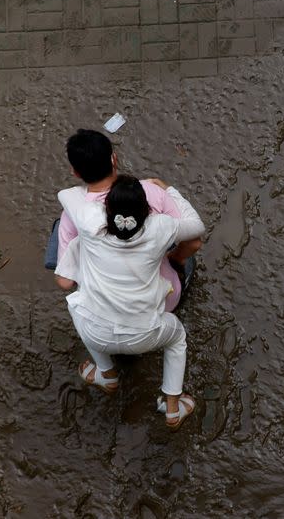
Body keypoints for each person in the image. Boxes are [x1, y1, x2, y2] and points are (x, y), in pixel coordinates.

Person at [56, 175, 205, 429]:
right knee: (177, 338)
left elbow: (65, 195)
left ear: (107, 212)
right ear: (146, 212)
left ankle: (107, 374)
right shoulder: (160, 227)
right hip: (144, 333)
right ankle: (172, 407)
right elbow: (196, 227)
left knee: (78, 306)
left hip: (97, 332)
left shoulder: (89, 230)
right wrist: (170, 189)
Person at [54, 129, 200, 313]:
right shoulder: (151, 191)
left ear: (75, 173)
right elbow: (194, 242)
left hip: (108, 310)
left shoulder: (74, 213)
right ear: (114, 159)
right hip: (161, 302)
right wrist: (176, 259)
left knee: (59, 228)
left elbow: (65, 282)